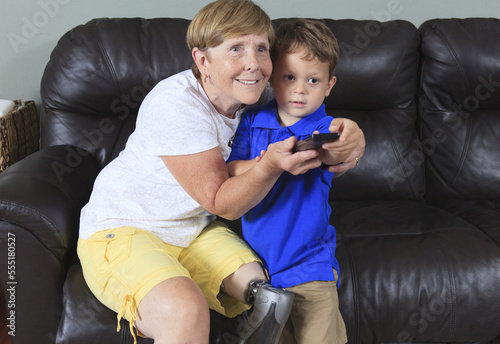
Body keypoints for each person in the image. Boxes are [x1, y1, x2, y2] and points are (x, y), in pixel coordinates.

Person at [77, 1, 365, 344]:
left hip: (193, 229)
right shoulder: (177, 104)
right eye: (236, 49)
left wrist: (354, 139)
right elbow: (222, 202)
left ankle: (259, 322)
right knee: (185, 309)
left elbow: (312, 122)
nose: (253, 64)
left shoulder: (252, 101)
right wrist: (270, 165)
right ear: (202, 61)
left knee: (264, 288)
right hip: (125, 229)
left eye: (261, 49)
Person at [227, 19, 356, 344]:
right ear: (272, 79)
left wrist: (347, 140)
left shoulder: (325, 128)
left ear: (329, 85)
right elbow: (231, 171)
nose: (300, 89)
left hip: (309, 266)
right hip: (260, 269)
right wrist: (263, 165)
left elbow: (336, 153)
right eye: (289, 78)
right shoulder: (254, 120)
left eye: (313, 80)